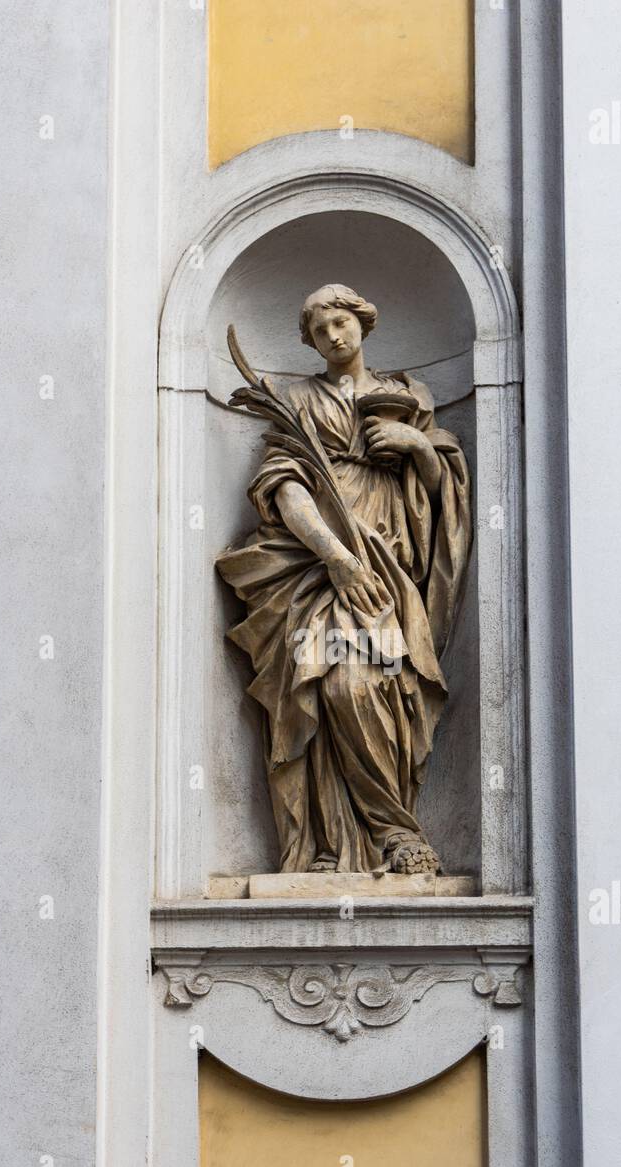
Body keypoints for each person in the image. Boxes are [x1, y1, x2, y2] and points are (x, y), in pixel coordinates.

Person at [216, 284, 471, 874]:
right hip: (319, 570)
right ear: (309, 341)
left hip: (390, 565)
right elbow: (283, 484)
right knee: (329, 689)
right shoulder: (297, 399)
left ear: (363, 321)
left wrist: (417, 446)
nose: (334, 335)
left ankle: (389, 834)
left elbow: (446, 498)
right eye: (320, 329)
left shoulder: (406, 395)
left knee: (373, 688)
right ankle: (337, 845)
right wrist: (335, 557)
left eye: (342, 322)